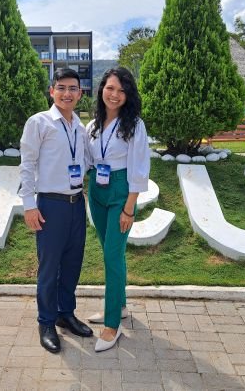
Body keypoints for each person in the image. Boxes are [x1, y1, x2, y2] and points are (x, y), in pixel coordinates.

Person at [19, 68, 93, 354]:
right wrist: (29, 205)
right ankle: (47, 322)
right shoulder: (39, 122)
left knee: (72, 264)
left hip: (77, 203)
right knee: (49, 268)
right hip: (50, 204)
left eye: (72, 88)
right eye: (61, 87)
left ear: (80, 93)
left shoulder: (80, 126)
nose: (67, 93)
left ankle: (65, 313)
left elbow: (86, 160)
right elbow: (27, 164)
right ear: (52, 91)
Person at [86, 67, 150, 352]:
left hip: (121, 190)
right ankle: (119, 305)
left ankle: (112, 324)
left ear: (128, 96)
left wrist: (129, 208)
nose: (115, 95)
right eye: (110, 88)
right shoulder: (94, 124)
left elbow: (139, 167)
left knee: (112, 255)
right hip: (96, 191)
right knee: (110, 251)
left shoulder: (134, 124)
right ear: (102, 89)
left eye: (121, 91)